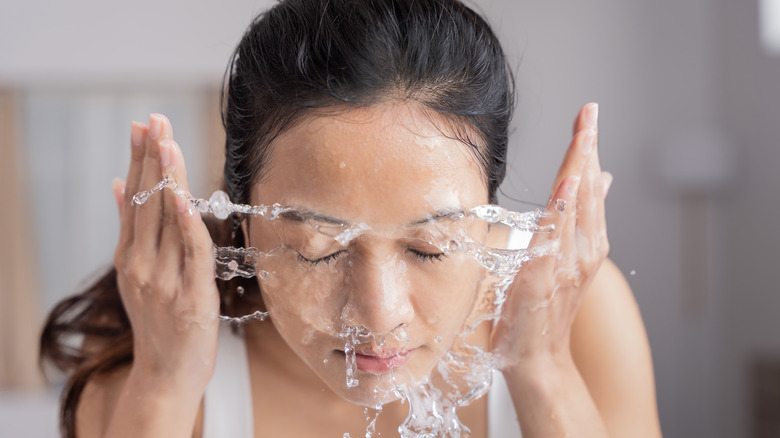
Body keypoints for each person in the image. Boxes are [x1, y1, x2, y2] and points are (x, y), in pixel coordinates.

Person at [40, 0, 662, 436]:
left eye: (432, 247)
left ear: (489, 212)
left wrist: (543, 370)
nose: (377, 314)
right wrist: (165, 383)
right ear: (246, 220)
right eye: (318, 248)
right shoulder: (150, 369)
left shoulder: (578, 314)